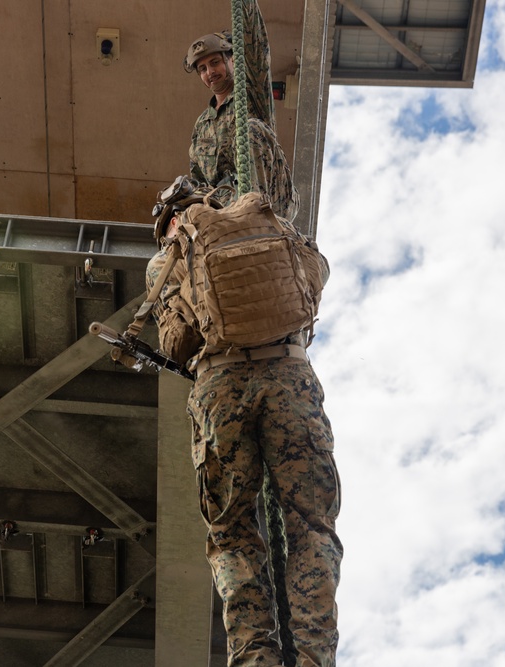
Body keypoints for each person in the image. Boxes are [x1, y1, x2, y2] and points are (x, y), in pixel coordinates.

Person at [146, 177, 342, 667]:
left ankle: (256, 659)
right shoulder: (267, 223)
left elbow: (177, 344)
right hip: (291, 378)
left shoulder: (169, 255)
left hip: (222, 388)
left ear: (170, 218)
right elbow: (315, 276)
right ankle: (315, 657)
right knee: (312, 527)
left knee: (232, 532)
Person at [184, 0, 299, 222]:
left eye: (215, 62)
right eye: (203, 69)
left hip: (270, 200)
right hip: (227, 206)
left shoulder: (252, 92)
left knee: (251, 128)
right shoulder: (202, 125)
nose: (210, 72)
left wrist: (245, 5)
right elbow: (198, 180)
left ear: (232, 60)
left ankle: (254, 212)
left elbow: (256, 46)